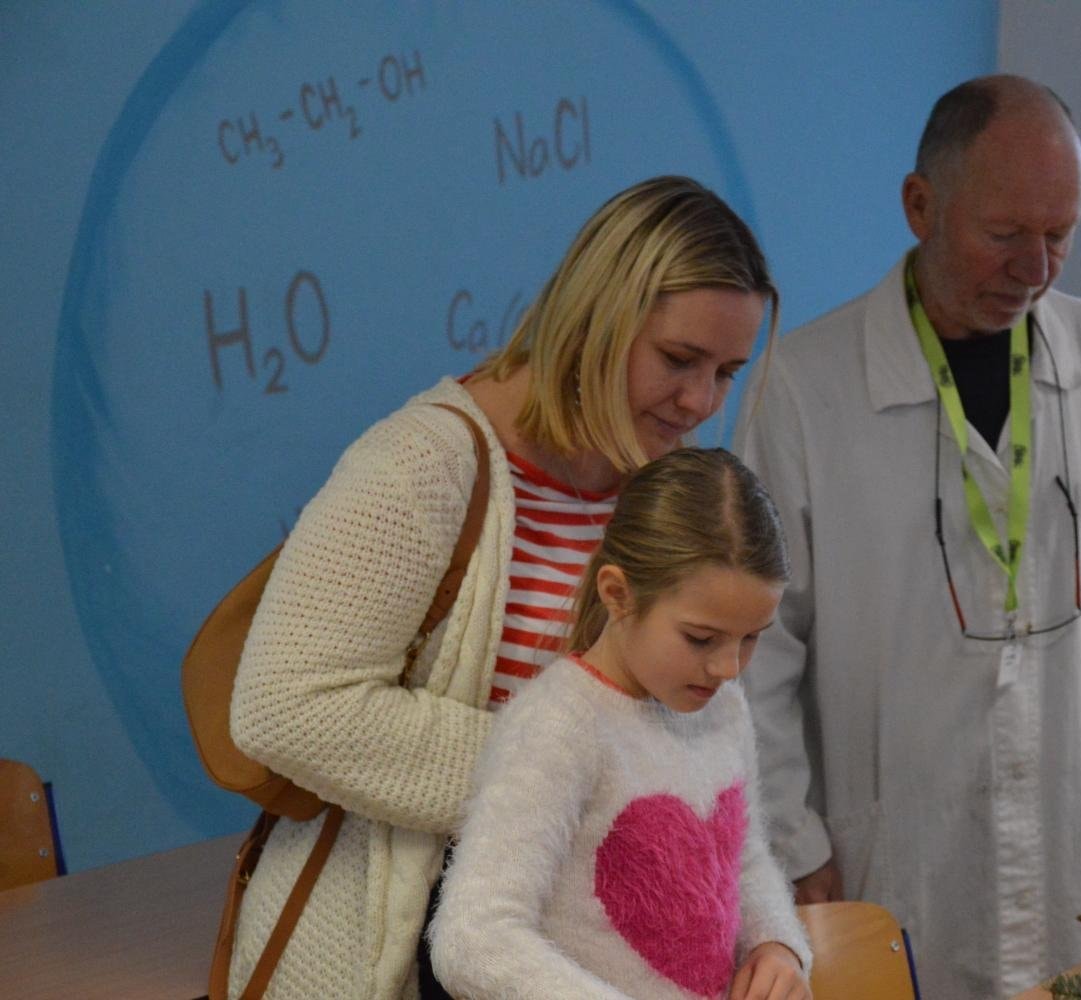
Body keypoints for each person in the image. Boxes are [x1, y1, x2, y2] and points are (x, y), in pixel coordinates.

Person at [228, 176, 778, 1000]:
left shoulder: (662, 485)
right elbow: (284, 707)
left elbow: (683, 744)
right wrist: (556, 780)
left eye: (727, 372)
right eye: (677, 360)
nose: (700, 401)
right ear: (595, 317)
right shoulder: (424, 466)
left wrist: (768, 934)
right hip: (402, 957)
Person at [734, 75, 1081, 996]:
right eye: (1005, 234)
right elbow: (759, 650)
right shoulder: (803, 389)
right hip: (887, 858)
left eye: (1060, 234)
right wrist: (788, 838)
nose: (1036, 268)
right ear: (920, 206)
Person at [428, 448, 812, 1000]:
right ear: (617, 595)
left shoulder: (725, 708)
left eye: (751, 637)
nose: (729, 667)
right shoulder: (560, 724)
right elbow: (473, 937)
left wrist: (776, 944)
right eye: (701, 638)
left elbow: (742, 860)